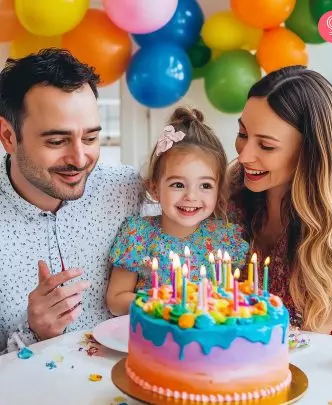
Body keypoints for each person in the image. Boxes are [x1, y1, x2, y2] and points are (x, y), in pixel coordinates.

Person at [0, 48, 143, 353]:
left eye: (90, 138)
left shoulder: (131, 191)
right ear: (8, 136)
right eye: (56, 141)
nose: (79, 159)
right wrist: (34, 333)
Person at [228, 65, 332, 338]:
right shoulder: (232, 189)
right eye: (243, 134)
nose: (243, 156)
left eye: (266, 145)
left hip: (315, 368)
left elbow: (318, 330)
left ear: (310, 151)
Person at [106, 107, 250, 315]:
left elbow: (236, 298)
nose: (191, 196)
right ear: (154, 188)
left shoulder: (226, 239)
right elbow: (116, 300)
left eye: (206, 186)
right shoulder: (139, 235)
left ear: (219, 191)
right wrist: (165, 304)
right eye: (178, 185)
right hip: (154, 341)